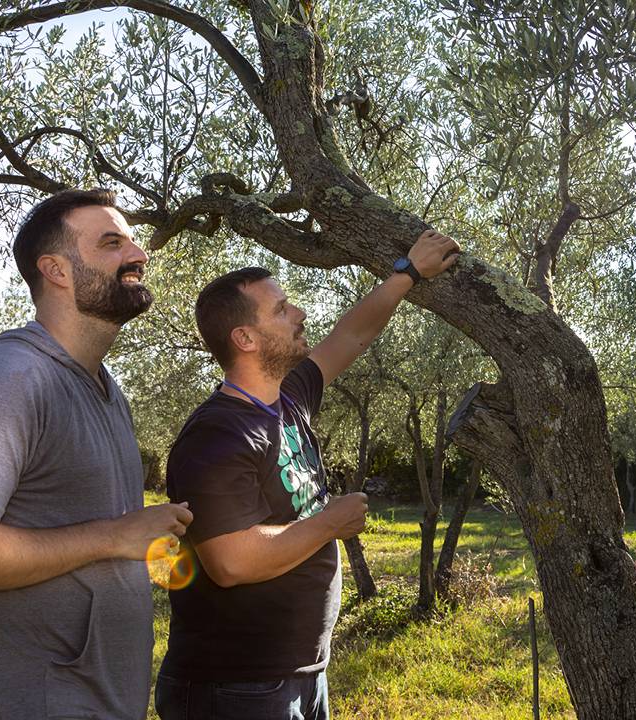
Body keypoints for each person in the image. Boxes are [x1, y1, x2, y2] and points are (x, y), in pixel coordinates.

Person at [0, 189, 194, 719]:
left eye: (131, 239)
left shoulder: (106, 389)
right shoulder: (10, 378)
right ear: (56, 270)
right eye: (112, 242)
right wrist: (114, 537)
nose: (138, 254)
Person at [154, 229, 460, 720]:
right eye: (281, 309)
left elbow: (352, 336)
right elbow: (230, 561)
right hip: (236, 689)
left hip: (297, 675)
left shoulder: (287, 398)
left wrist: (407, 272)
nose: (299, 314)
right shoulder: (217, 435)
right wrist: (330, 523)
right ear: (245, 339)